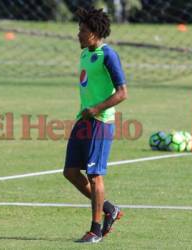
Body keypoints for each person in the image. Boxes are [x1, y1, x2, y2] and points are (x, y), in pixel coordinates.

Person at [63, 7, 128, 243]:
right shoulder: (84, 54)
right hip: (84, 120)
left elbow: (122, 93)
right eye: (79, 30)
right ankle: (110, 208)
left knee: (94, 175)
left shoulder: (108, 55)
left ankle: (96, 230)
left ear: (94, 33)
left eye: (82, 31)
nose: (78, 35)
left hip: (100, 122)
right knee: (70, 172)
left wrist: (97, 109)